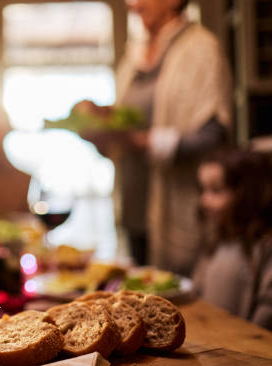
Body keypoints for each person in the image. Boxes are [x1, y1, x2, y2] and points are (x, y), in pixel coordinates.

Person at [78, 0, 232, 274]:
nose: (131, 4)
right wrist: (102, 132)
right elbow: (125, 132)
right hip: (133, 213)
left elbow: (213, 136)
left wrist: (140, 141)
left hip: (178, 218)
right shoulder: (134, 55)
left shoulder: (202, 49)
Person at [192, 149, 272, 329]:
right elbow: (197, 293)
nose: (204, 200)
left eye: (216, 190)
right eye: (203, 190)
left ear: (247, 193)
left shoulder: (264, 247)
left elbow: (267, 310)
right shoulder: (215, 241)